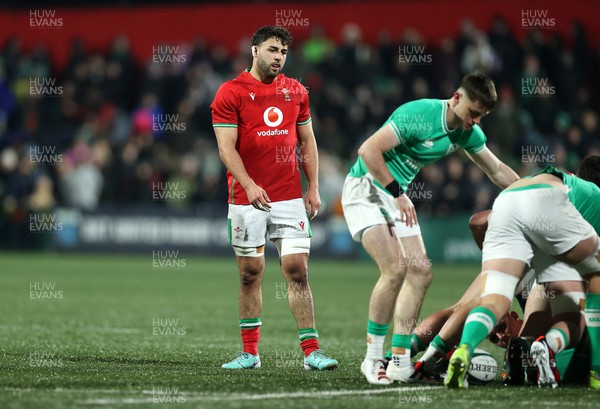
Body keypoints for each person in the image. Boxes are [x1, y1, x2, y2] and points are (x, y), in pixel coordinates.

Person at [341, 72, 519, 384]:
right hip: (367, 187)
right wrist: (398, 193)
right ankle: (372, 360)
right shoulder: (419, 114)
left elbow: (496, 169)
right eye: (473, 113)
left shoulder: (466, 132)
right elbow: (368, 151)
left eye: (482, 116)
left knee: (420, 273)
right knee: (395, 268)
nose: (475, 121)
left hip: (396, 196)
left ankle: (398, 361)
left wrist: (531, 194)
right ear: (456, 98)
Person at [210, 26, 337, 371]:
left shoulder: (296, 91)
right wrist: (250, 185)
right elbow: (225, 148)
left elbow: (307, 142)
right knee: (250, 273)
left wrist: (313, 186)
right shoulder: (230, 92)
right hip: (244, 197)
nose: (278, 57)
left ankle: (312, 352)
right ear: (254, 50)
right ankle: (250, 353)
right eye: (271, 50)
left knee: (297, 270)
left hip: (287, 196)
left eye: (283, 51)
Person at [445, 159, 600, 389]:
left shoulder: (559, 184)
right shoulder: (590, 199)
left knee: (494, 301)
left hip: (512, 216)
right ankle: (586, 366)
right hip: (549, 269)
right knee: (579, 306)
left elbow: (478, 221)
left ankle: (465, 349)